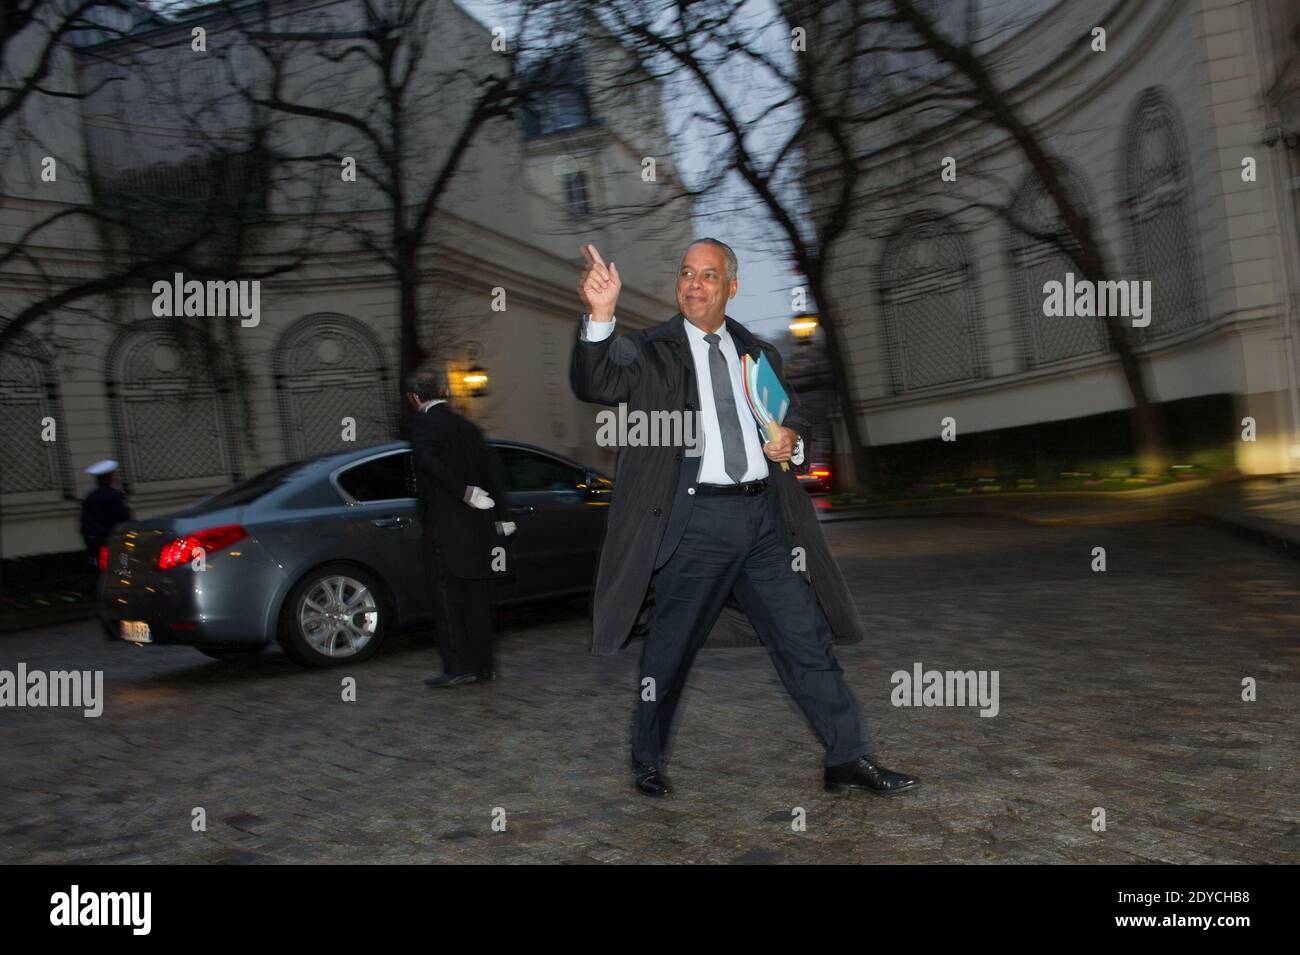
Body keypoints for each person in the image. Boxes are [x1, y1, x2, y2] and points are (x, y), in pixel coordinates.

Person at [571, 239, 919, 798]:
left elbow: (789, 416)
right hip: (693, 524)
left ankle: (846, 757)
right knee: (670, 650)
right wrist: (601, 315)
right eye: (686, 273)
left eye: (709, 276)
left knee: (805, 640)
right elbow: (596, 383)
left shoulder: (758, 354)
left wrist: (791, 440)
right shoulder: (650, 351)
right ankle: (647, 756)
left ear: (731, 287)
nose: (694, 284)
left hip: (763, 522)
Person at [405, 368, 515, 688]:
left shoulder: (423, 423)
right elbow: (492, 471)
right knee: (478, 599)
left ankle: (459, 666)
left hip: (445, 527)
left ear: (415, 398)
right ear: (445, 392)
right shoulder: (467, 426)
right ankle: (485, 665)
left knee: (447, 599)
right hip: (477, 528)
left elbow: (428, 462)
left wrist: (463, 492)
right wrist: (502, 516)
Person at [80, 459, 132, 570]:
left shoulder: (89, 498)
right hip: (115, 541)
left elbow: (85, 525)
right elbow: (125, 519)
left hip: (97, 543)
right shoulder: (116, 496)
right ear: (109, 478)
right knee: (121, 571)